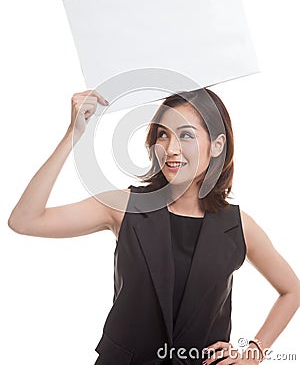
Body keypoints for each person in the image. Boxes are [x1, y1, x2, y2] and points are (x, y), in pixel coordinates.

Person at [8, 88, 300, 365]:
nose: (171, 149)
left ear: (217, 145)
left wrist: (255, 350)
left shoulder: (238, 226)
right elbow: (25, 220)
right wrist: (73, 134)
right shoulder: (123, 206)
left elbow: (292, 290)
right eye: (162, 135)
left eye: (186, 135)